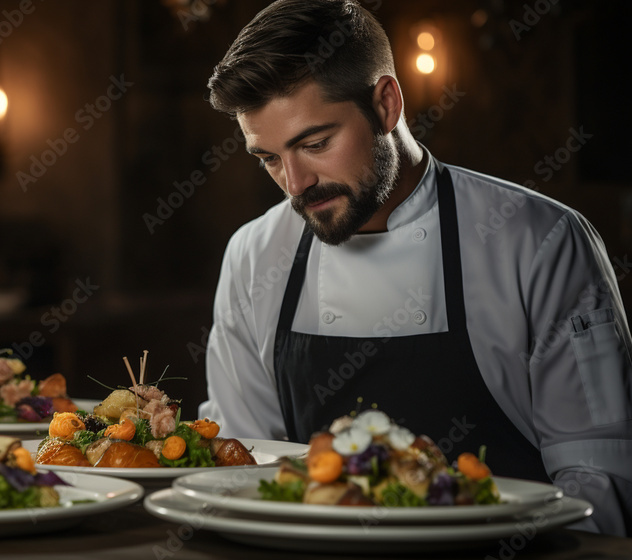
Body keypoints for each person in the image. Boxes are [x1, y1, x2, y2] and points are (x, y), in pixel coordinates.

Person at [198, 0, 632, 536]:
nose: (295, 183)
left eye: (314, 144)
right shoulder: (253, 257)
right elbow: (243, 472)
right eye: (267, 158)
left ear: (385, 104)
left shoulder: (538, 242)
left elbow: (600, 484)